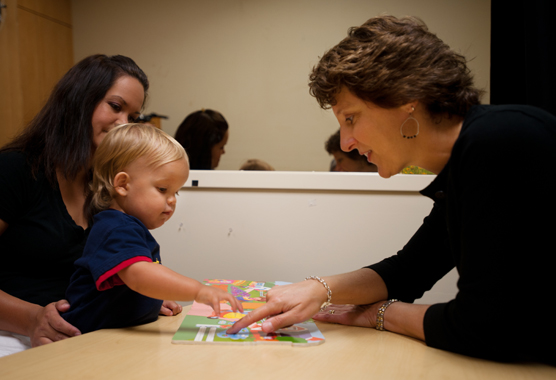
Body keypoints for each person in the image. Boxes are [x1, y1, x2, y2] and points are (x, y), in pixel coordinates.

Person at [228, 15, 556, 365]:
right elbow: (410, 270)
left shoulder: (500, 142)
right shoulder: (467, 158)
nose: (346, 142)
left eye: (350, 118)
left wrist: (379, 314)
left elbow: (485, 327)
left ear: (405, 97)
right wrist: (317, 289)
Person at [0, 54, 172, 357]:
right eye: (116, 107)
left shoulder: (109, 189)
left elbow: (108, 271)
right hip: (14, 336)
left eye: (132, 117)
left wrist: (142, 296)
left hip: (79, 337)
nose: (123, 124)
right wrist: (32, 320)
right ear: (79, 101)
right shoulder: (14, 169)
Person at [61, 124, 242, 333]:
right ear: (122, 184)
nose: (173, 200)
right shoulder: (116, 228)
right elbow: (139, 276)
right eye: (163, 189)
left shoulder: (125, 226)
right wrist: (199, 291)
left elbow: (126, 287)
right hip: (84, 341)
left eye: (176, 192)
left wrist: (151, 300)